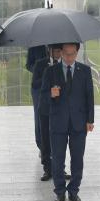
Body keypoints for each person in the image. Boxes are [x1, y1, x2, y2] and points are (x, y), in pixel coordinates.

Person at [40, 43, 94, 201]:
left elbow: (89, 97)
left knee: (78, 158)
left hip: (79, 122)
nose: (69, 58)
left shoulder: (85, 71)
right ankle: (60, 191)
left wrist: (90, 120)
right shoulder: (51, 71)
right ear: (61, 53)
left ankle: (74, 190)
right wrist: (50, 93)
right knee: (57, 159)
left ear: (77, 53)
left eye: (72, 54)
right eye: (66, 54)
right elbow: (42, 100)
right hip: (58, 122)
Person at [31, 45, 63, 181]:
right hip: (44, 106)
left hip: (60, 108)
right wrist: (47, 74)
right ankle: (47, 168)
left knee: (59, 139)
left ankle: (60, 168)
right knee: (45, 137)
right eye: (55, 51)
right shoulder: (41, 64)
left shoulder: (64, 65)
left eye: (59, 51)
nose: (57, 53)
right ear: (49, 51)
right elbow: (35, 84)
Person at [28, 45, 48, 154]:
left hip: (55, 85)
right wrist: (39, 69)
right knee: (39, 116)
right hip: (38, 86)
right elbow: (28, 64)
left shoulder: (59, 42)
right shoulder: (34, 45)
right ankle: (41, 145)